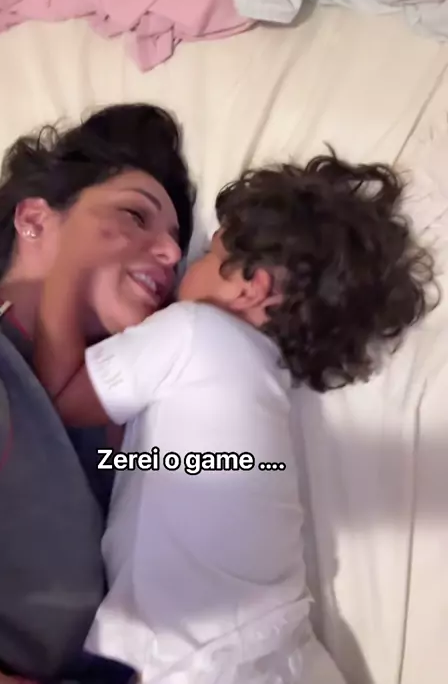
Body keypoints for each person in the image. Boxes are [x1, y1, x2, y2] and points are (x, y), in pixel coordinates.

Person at [34, 153, 437, 683]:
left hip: (202, 659)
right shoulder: (268, 383)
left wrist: (64, 269)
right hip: (276, 648)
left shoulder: (192, 330)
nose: (185, 263)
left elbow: (58, 399)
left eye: (209, 252)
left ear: (252, 285)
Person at [0, 103, 194, 683]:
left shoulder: (124, 418)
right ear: (35, 219)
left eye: (177, 241)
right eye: (135, 215)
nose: (172, 254)